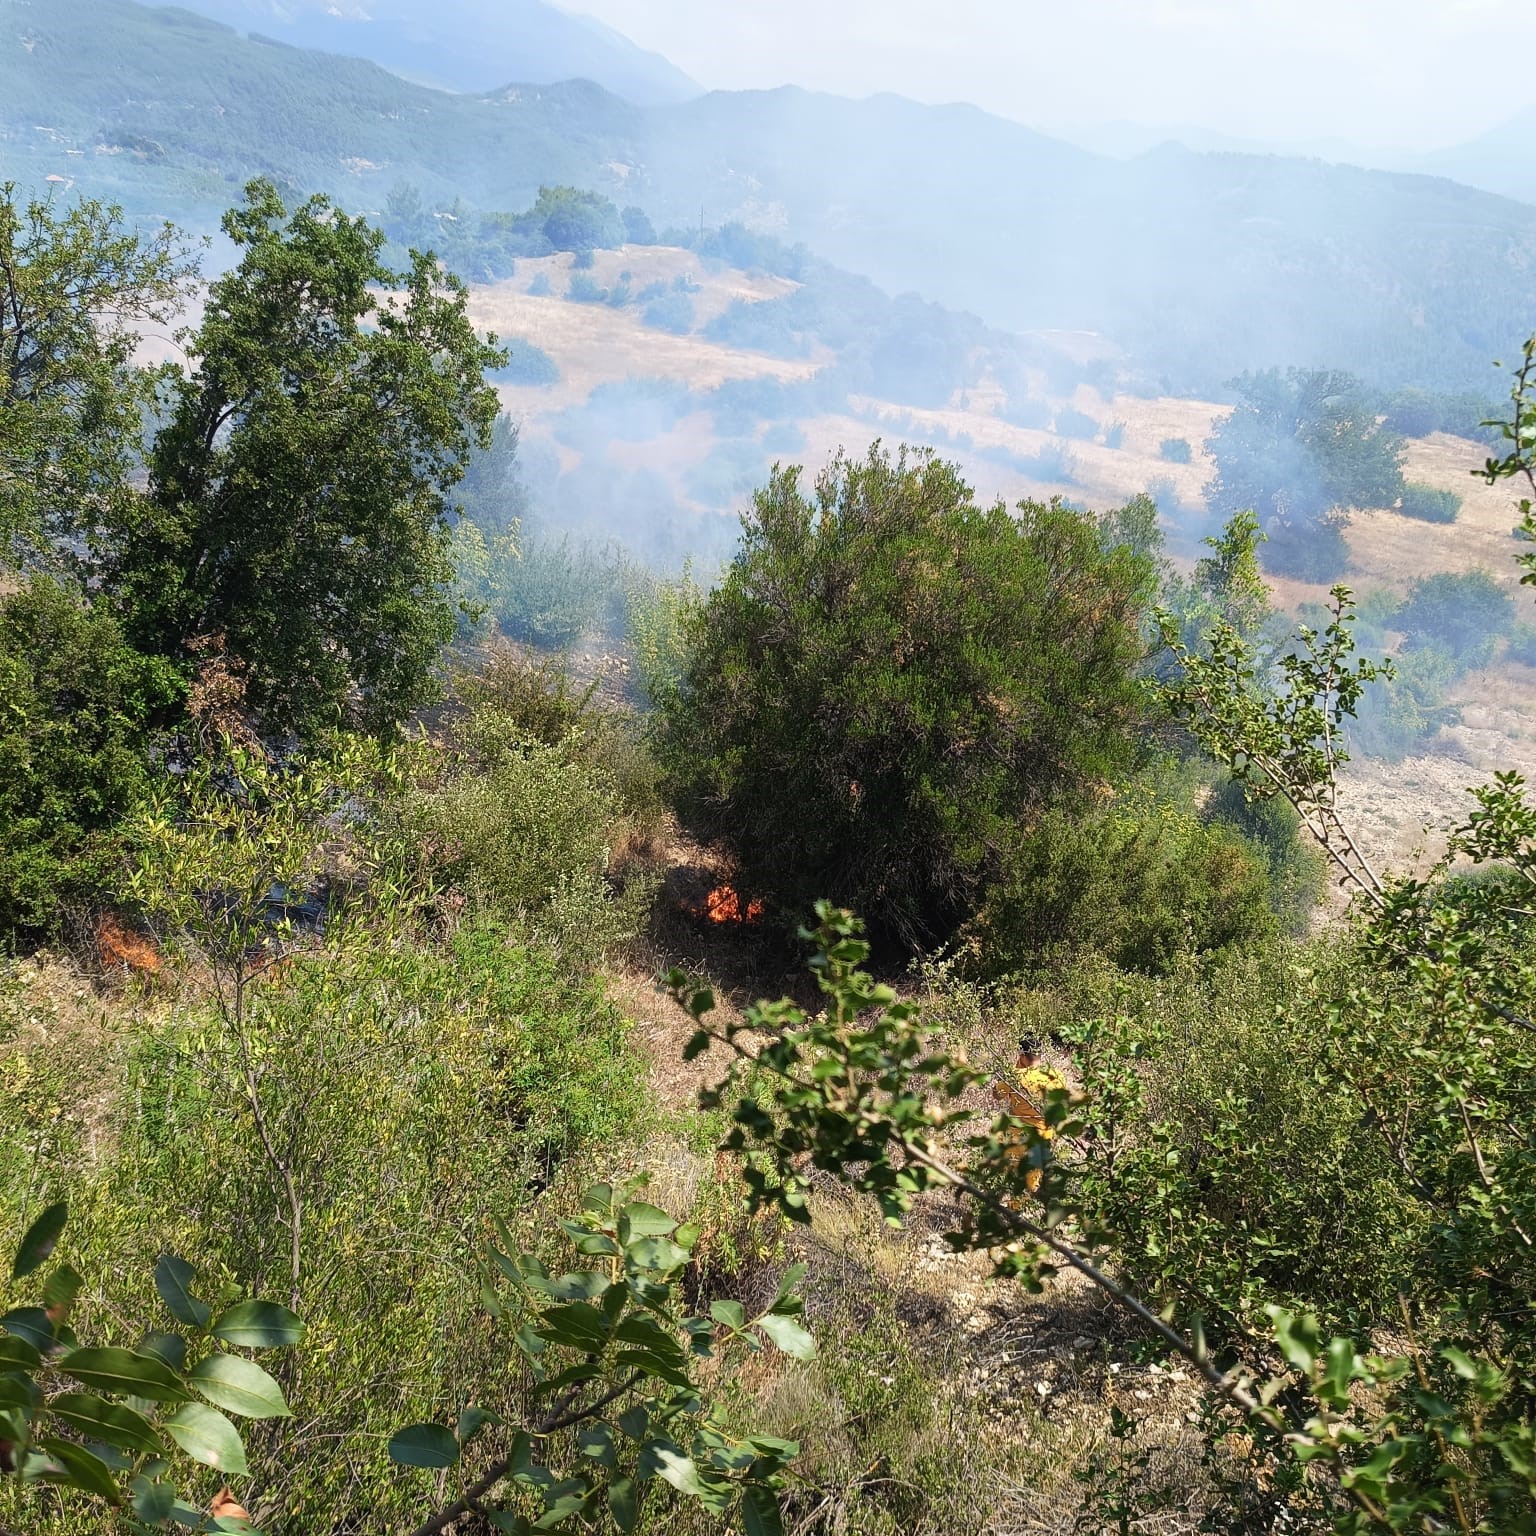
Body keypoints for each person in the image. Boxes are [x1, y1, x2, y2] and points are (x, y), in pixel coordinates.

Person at [992, 1035, 1066, 1195]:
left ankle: (1016, 1205)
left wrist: (1012, 1071)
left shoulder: (1015, 1077)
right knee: (1035, 1174)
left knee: (1017, 1173)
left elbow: (997, 1095)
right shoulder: (1056, 1076)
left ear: (1022, 1055)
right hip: (1044, 1132)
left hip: (1020, 1131)